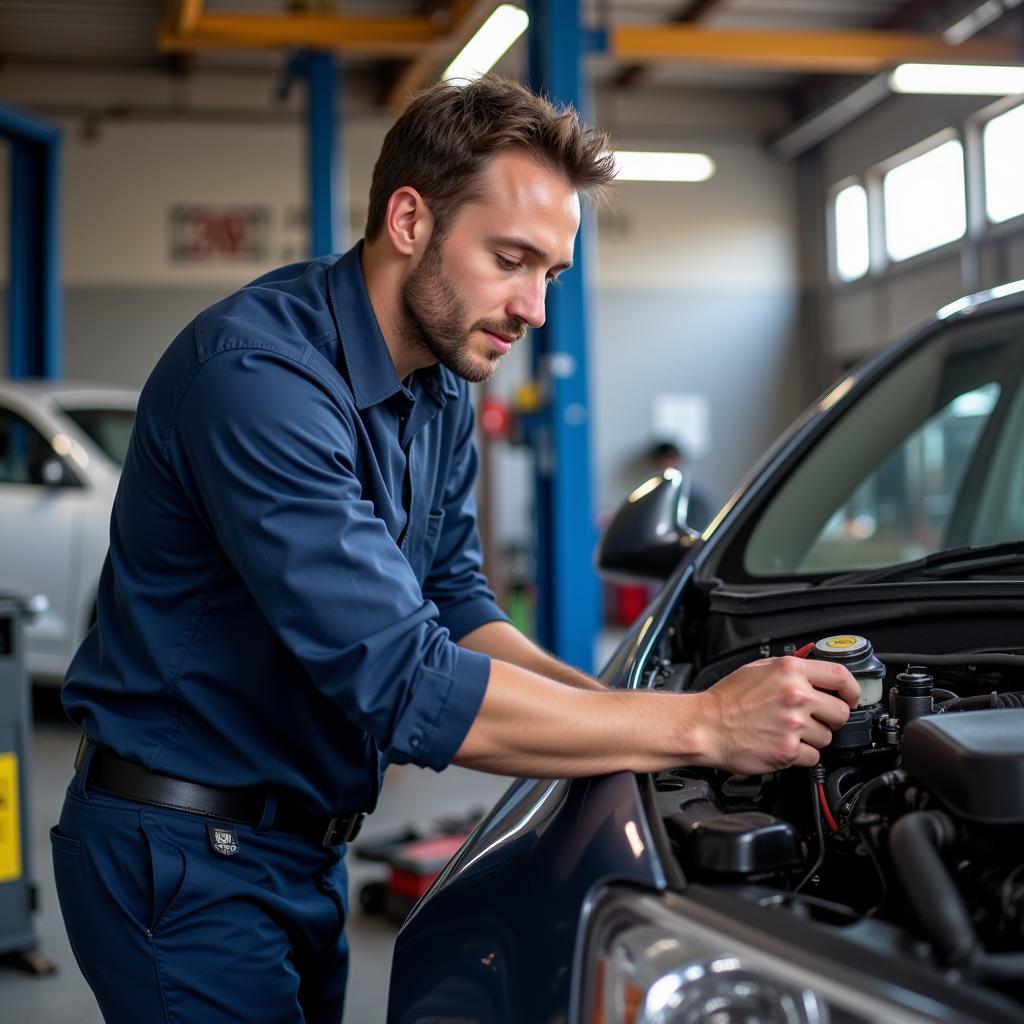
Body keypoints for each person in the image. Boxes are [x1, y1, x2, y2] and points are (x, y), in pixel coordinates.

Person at [51, 75, 859, 1024]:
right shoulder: (260, 380)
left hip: (300, 853)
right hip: (179, 856)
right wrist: (701, 725)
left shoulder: (437, 386)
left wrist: (627, 716)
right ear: (408, 220)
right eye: (511, 260)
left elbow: (457, 605)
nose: (534, 310)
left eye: (550, 274)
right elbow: (406, 682)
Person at [648, 439, 715, 532]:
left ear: (679, 461)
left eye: (671, 460)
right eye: (663, 462)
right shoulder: (651, 495)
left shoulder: (695, 496)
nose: (667, 465)